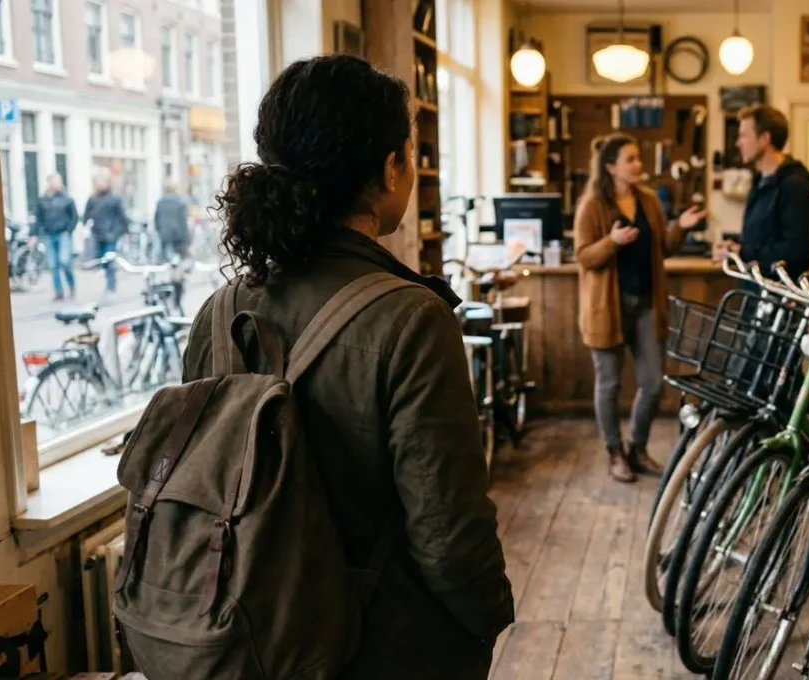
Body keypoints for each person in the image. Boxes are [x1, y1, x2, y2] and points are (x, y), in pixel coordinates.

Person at [184, 55, 512, 678]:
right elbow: (448, 532)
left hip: (238, 637)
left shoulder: (219, 311)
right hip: (378, 646)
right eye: (408, 155)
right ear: (390, 168)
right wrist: (488, 617)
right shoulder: (412, 318)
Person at [575, 134, 706, 483]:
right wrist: (612, 242)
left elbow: (663, 247)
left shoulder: (648, 200)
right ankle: (614, 452)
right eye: (630, 159)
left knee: (652, 382)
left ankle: (638, 448)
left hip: (647, 303)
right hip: (608, 308)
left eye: (638, 158)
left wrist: (681, 228)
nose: (638, 164)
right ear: (610, 166)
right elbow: (584, 257)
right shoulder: (592, 205)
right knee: (609, 384)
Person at [715, 105, 809, 283]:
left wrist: (743, 252)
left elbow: (796, 253)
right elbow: (763, 237)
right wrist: (736, 247)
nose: (738, 143)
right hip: (755, 290)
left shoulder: (795, 187)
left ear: (764, 139)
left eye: (744, 136)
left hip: (779, 294)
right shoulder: (759, 182)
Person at [32, 173, 77, 300]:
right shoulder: (42, 200)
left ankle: (71, 285)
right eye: (53, 181)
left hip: (63, 233)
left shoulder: (67, 199)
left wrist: (68, 230)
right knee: (53, 265)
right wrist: (34, 234)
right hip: (49, 234)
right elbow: (38, 219)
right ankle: (59, 291)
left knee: (65, 261)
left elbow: (74, 217)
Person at [83, 173, 130, 294]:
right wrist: (85, 224)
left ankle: (111, 285)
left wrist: (125, 231)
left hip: (111, 233)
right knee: (101, 259)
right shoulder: (93, 199)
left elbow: (122, 215)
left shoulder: (115, 198)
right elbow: (86, 214)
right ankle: (109, 280)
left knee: (109, 259)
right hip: (98, 233)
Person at [153, 180, 191, 263]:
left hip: (164, 232)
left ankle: (168, 266)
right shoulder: (180, 202)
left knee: (166, 255)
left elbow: (156, 219)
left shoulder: (160, 202)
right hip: (177, 233)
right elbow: (183, 220)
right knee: (178, 257)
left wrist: (158, 230)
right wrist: (186, 236)